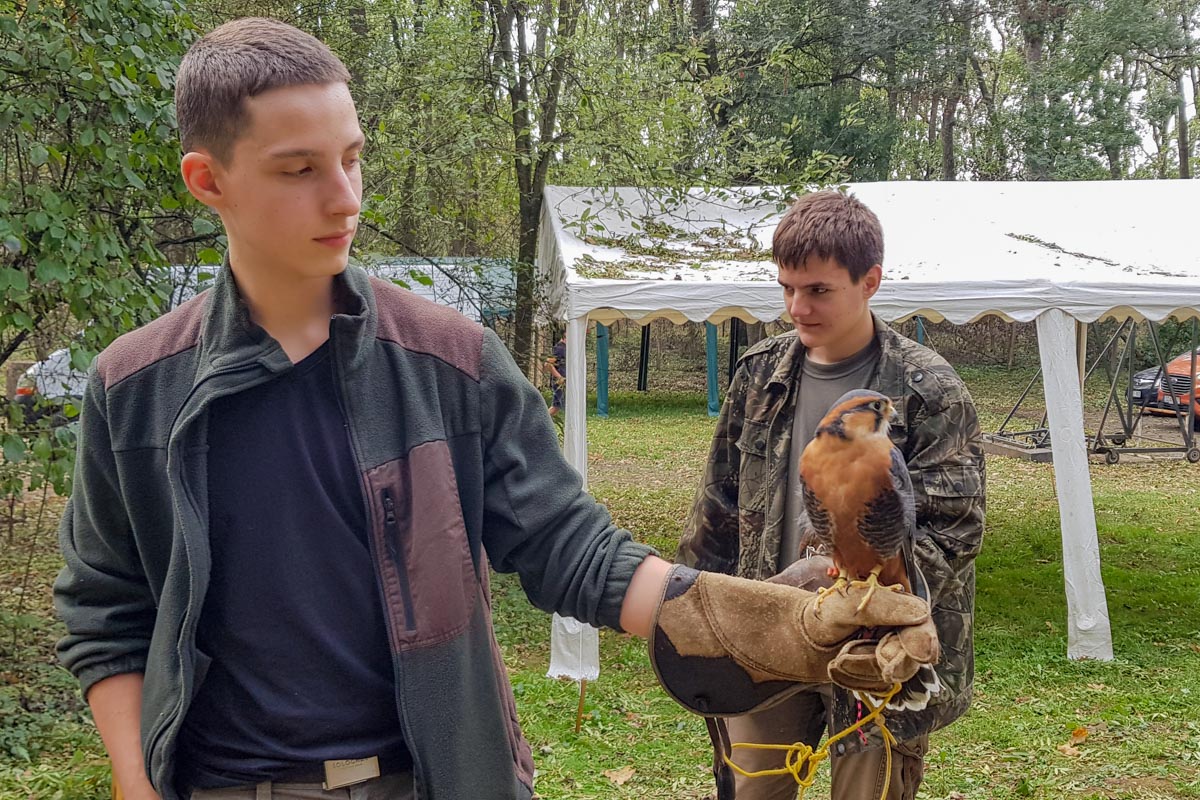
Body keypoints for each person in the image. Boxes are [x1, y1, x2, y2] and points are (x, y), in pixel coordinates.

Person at [52, 21, 938, 800]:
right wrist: (135, 780)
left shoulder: (451, 362)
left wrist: (742, 618)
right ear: (208, 181)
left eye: (352, 157)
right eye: (300, 169)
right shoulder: (136, 389)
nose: (346, 198)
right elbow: (106, 610)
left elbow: (565, 543)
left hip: (436, 777)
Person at [678, 190, 986, 800]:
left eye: (818, 290)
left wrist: (873, 606)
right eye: (787, 288)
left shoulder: (928, 388)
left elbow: (955, 529)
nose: (798, 306)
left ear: (870, 281)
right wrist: (690, 606)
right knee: (753, 792)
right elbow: (719, 503)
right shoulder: (758, 374)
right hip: (772, 630)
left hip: (877, 652)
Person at [546, 332, 566, 415]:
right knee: (556, 407)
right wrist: (559, 377)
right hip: (560, 382)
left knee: (556, 407)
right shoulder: (559, 348)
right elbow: (547, 364)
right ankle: (540, 420)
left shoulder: (565, 347)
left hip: (564, 381)